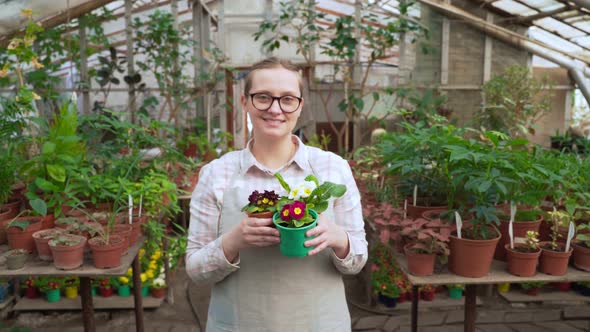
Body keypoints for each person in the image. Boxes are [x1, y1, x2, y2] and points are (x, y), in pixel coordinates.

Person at [185, 57, 368, 332]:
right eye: (263, 97)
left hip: (319, 324)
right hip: (239, 324)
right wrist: (233, 241)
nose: (275, 109)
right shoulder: (216, 174)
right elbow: (196, 270)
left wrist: (339, 239)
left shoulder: (333, 168)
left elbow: (357, 260)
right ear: (244, 102)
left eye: (287, 99)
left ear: (300, 105)